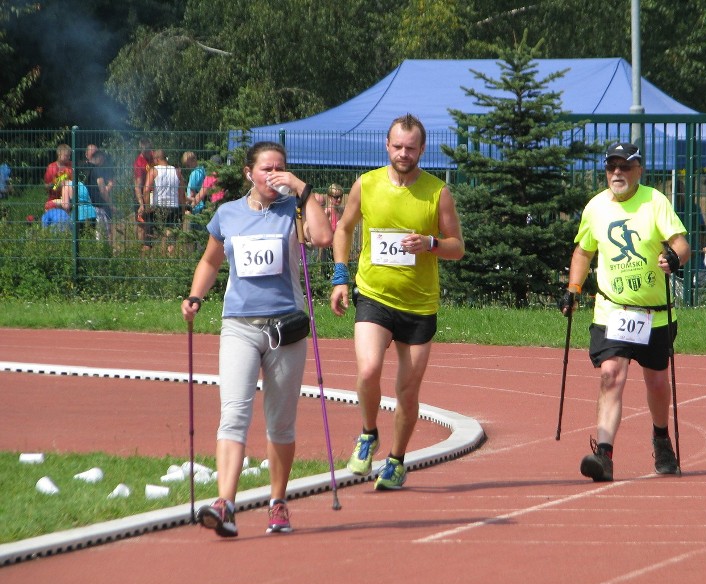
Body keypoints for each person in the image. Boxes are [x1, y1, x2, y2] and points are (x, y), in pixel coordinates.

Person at [182, 141, 332, 537]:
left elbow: (322, 238)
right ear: (249, 172)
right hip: (239, 325)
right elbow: (211, 260)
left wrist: (302, 189)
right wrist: (196, 296)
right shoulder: (227, 213)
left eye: (280, 168)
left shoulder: (293, 210)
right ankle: (225, 503)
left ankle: (277, 502)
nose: (274, 175)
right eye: (267, 168)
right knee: (234, 413)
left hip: (286, 328)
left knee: (280, 424)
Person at [330, 113, 465, 490]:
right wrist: (341, 277)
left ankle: (396, 460)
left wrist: (431, 243)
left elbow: (458, 247)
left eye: (411, 147)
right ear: (386, 146)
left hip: (419, 306)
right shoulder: (367, 184)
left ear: (422, 149)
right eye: (397, 146)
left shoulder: (438, 192)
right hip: (374, 295)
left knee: (407, 390)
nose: (403, 153)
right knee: (370, 369)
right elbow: (343, 228)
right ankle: (368, 433)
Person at [560, 142, 690, 482]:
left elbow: (681, 243)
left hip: (654, 313)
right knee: (611, 375)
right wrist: (573, 289)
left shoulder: (654, 201)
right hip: (612, 311)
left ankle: (661, 439)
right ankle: (604, 455)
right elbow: (583, 253)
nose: (617, 173)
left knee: (657, 382)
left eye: (625, 167)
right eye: (611, 167)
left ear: (639, 170)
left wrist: (673, 258)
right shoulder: (595, 208)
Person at [142, 149, 185, 253]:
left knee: (148, 240)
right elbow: (181, 192)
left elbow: (146, 190)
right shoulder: (176, 171)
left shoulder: (153, 171)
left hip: (158, 207)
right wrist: (182, 210)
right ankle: (169, 264)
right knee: (171, 241)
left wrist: (147, 207)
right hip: (173, 207)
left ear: (156, 159)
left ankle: (144, 264)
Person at [134, 138, 154, 244]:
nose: (148, 153)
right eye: (145, 150)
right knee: (142, 224)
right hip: (141, 194)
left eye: (149, 150)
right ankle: (142, 248)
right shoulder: (139, 163)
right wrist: (141, 204)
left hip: (153, 195)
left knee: (152, 222)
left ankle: (150, 246)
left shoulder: (153, 156)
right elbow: (137, 185)